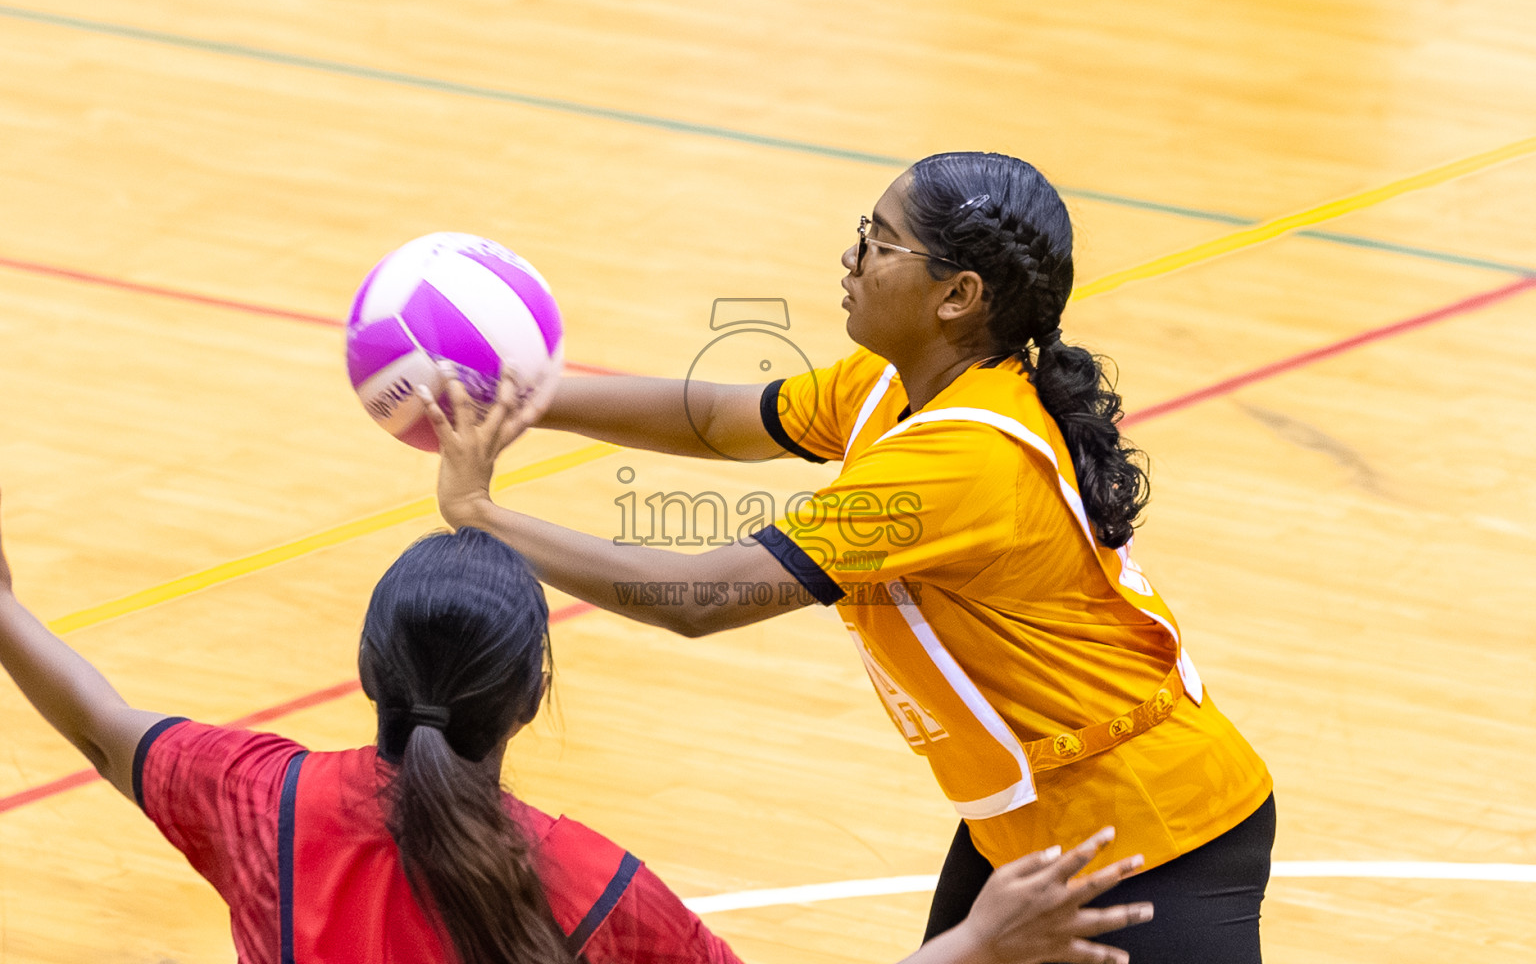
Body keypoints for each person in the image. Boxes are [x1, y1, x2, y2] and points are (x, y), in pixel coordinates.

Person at [417, 151, 1275, 963]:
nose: (851, 257)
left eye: (879, 241)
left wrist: (480, 515)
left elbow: (697, 598)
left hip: (1151, 839)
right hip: (1031, 828)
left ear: (959, 295)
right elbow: (722, 418)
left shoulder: (961, 463)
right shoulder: (895, 384)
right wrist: (514, 396)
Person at [0, 489, 1150, 964]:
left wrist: (4, 611)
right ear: (533, 696)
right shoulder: (594, 888)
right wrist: (976, 946)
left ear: (365, 671)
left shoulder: (265, 798)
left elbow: (106, 726)